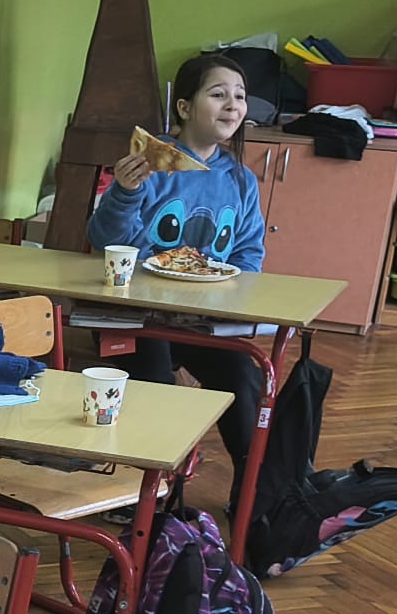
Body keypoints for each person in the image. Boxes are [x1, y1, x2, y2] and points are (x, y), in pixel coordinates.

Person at [90, 52, 268, 512]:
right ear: (185, 107)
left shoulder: (241, 181)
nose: (233, 105)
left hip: (200, 318)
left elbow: (248, 253)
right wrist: (125, 192)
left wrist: (230, 289)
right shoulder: (149, 166)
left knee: (244, 376)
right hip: (137, 314)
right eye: (218, 94)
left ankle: (254, 498)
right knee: (156, 383)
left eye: (240, 96)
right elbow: (105, 240)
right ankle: (151, 497)